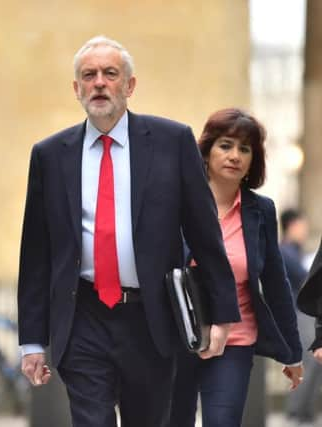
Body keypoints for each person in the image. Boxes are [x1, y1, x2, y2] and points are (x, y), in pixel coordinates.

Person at [17, 35, 241, 427]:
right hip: (82, 315)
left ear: (130, 86)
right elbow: (36, 253)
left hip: (150, 319)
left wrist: (220, 317)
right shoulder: (50, 155)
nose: (99, 83)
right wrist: (32, 342)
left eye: (110, 74)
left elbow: (205, 235)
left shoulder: (172, 142)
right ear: (76, 89)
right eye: (89, 75)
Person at [170, 108, 303, 427]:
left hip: (236, 339)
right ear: (206, 152)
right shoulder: (177, 202)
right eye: (226, 145)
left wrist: (292, 351)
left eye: (245, 149)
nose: (235, 155)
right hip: (178, 336)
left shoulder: (260, 211)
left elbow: (275, 282)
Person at [282, 210, 322, 426]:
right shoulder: (285, 251)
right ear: (292, 226)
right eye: (302, 225)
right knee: (308, 361)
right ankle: (297, 411)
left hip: (304, 314)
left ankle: (305, 411)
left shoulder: (297, 251)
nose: (305, 231)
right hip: (299, 315)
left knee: (314, 362)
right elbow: (304, 278)